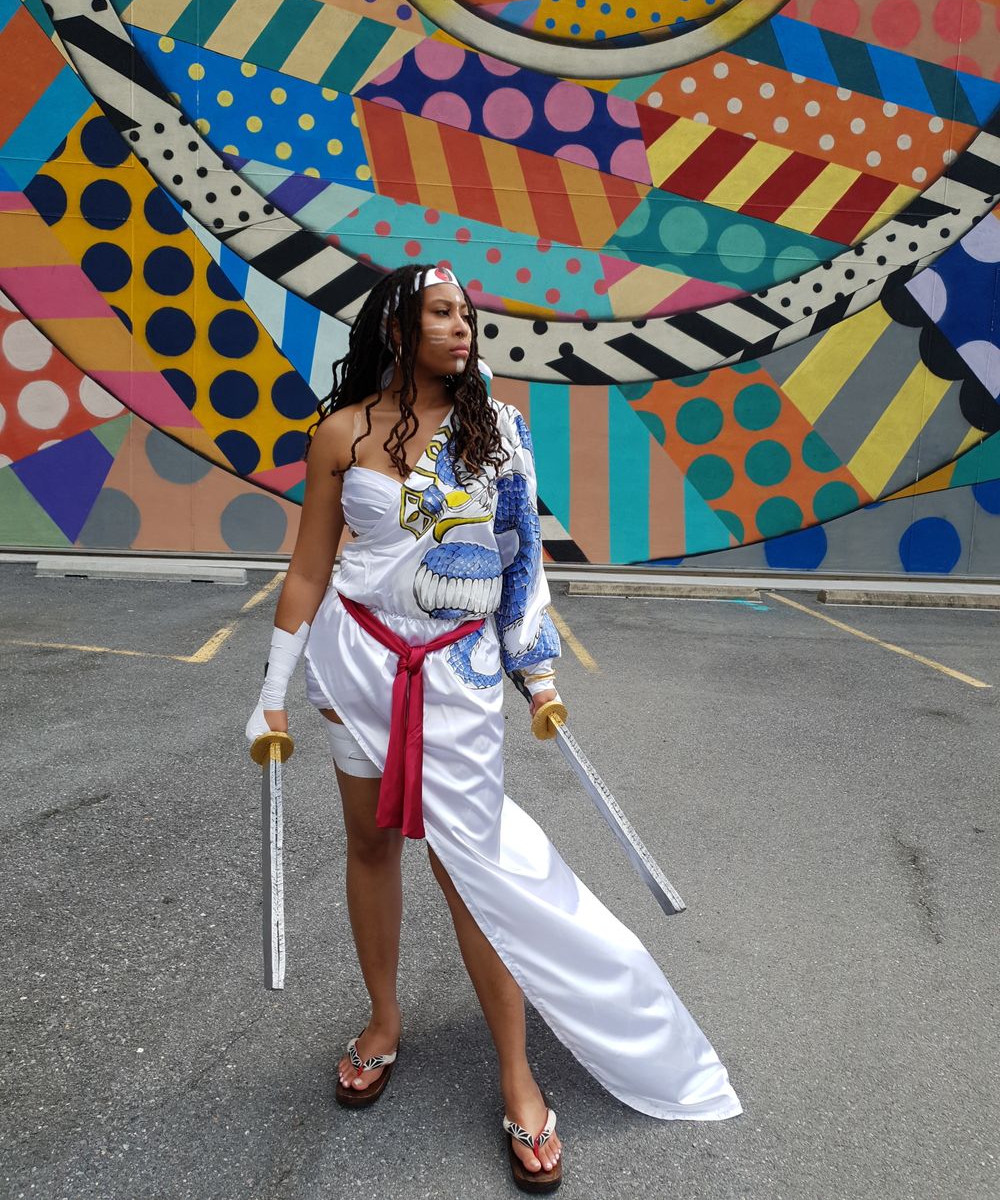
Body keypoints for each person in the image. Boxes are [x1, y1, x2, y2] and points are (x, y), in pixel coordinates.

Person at [246, 263, 741, 1192]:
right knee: (370, 842)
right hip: (356, 663)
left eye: (466, 314)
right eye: (442, 312)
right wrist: (271, 690)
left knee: (472, 866)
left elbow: (521, 563)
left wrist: (539, 675)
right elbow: (310, 569)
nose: (462, 326)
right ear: (398, 328)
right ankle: (384, 1019)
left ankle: (517, 1071)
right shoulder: (340, 433)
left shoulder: (498, 431)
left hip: (458, 674)